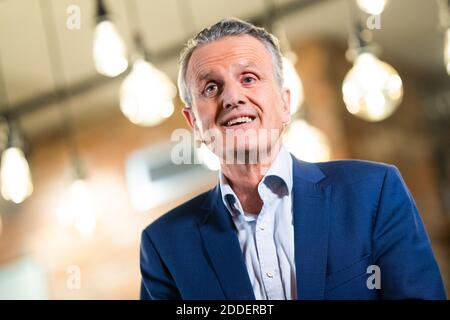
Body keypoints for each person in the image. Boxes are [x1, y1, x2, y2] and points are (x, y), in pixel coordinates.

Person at [139, 18, 446, 300]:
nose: (232, 97)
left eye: (248, 78)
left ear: (285, 103)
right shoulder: (165, 246)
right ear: (193, 122)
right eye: (211, 87)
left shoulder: (373, 192)